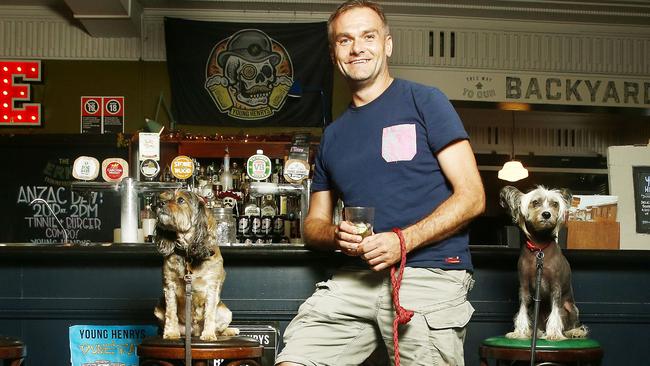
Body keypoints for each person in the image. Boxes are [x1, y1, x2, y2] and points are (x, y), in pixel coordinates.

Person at [275, 1, 485, 365]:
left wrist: (403, 241)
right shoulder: (334, 136)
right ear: (334, 53)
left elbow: (473, 197)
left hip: (427, 274)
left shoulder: (424, 101)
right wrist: (336, 235)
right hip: (355, 279)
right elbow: (313, 225)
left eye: (368, 36)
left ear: (387, 44)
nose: (357, 48)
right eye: (345, 40)